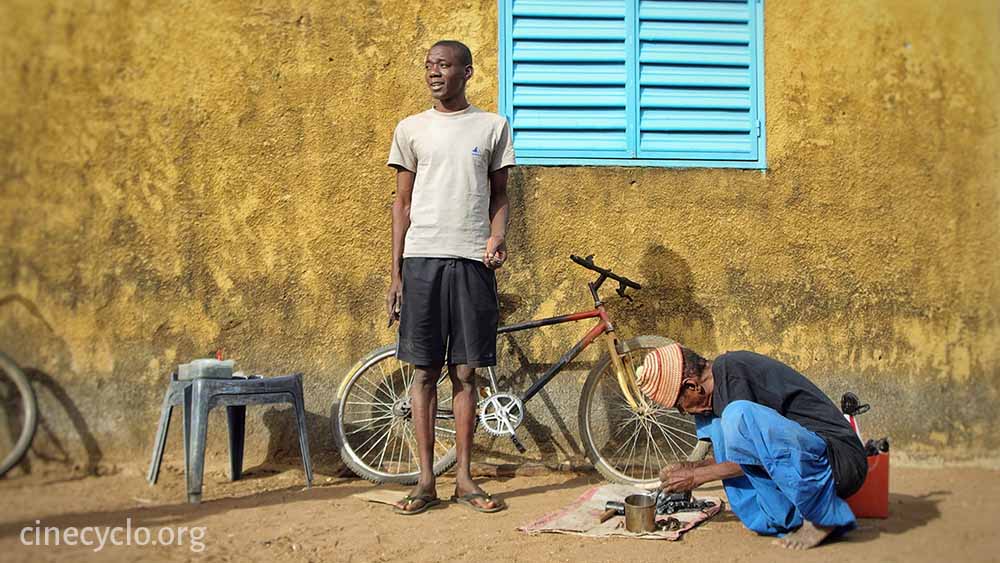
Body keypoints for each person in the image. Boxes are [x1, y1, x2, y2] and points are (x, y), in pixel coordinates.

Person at [384, 40, 515, 515]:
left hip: (471, 262)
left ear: (467, 71)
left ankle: (463, 477)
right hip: (422, 260)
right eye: (428, 66)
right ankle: (425, 481)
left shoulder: (493, 126)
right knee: (423, 371)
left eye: (443, 65)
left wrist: (497, 236)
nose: (433, 73)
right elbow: (401, 204)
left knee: (466, 370)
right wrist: (395, 273)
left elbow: (499, 195)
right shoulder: (411, 129)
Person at [636, 343, 867, 549]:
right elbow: (747, 455)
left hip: (839, 461)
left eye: (679, 404)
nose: (682, 411)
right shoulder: (716, 394)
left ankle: (822, 518)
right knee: (719, 422)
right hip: (807, 458)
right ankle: (785, 517)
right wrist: (690, 467)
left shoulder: (734, 371)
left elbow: (757, 451)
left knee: (737, 416)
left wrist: (696, 476)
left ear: (692, 386)